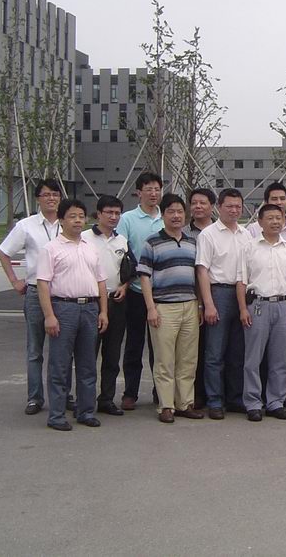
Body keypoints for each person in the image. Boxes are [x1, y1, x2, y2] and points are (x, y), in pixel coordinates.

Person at [36, 199, 108, 431]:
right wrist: (49, 315)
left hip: (90, 308)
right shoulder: (51, 249)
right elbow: (43, 284)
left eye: (81, 216)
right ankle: (57, 415)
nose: (78, 221)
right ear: (61, 220)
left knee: (88, 365)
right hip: (63, 309)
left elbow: (101, 281)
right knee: (60, 364)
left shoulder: (90, 247)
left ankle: (86, 411)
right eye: (72, 216)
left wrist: (103, 311)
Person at [0, 179, 63, 416]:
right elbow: (3, 252)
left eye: (55, 194)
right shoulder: (26, 226)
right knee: (35, 349)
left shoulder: (68, 222)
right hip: (35, 292)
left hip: (62, 294)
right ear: (38, 199)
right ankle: (35, 397)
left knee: (63, 350)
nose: (51, 198)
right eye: (46, 194)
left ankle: (64, 395)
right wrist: (14, 281)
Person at [138, 193, 204, 424]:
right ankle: (166, 405)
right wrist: (150, 308)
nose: (176, 216)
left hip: (190, 306)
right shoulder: (152, 242)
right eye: (171, 211)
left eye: (179, 211)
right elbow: (144, 276)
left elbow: (198, 276)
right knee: (165, 360)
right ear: (163, 215)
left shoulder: (192, 242)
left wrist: (199, 305)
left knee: (188, 359)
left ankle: (185, 403)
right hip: (163, 308)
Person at [237, 203, 286, 422]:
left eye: (278, 218)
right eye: (270, 218)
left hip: (283, 305)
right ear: (260, 222)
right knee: (253, 358)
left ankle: (276, 402)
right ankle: (253, 403)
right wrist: (242, 309)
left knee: (279, 358)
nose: (275, 222)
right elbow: (241, 281)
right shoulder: (249, 247)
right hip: (258, 305)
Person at [196, 188, 251, 419]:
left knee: (238, 352)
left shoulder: (246, 234)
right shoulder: (208, 234)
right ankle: (215, 401)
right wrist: (208, 304)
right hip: (218, 293)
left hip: (243, 295)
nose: (234, 210)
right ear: (219, 207)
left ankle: (235, 398)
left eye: (238, 206)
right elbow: (202, 270)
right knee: (214, 353)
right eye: (229, 206)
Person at [81, 195, 134, 416]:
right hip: (91, 303)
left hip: (116, 302)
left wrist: (125, 286)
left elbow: (130, 268)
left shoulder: (122, 240)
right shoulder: (83, 238)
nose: (113, 217)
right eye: (109, 212)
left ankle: (106, 399)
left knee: (112, 355)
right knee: (87, 355)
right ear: (99, 213)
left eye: (117, 213)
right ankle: (84, 401)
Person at [116, 172, 164, 411]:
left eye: (157, 189)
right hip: (136, 290)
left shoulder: (166, 217)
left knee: (160, 347)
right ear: (138, 192)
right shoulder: (127, 219)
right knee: (134, 344)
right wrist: (126, 281)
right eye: (148, 189)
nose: (153, 193)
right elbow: (121, 251)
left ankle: (160, 392)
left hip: (162, 293)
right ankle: (130, 393)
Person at [186, 187, 216, 410]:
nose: (198, 206)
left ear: (212, 206)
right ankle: (194, 394)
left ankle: (215, 393)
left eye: (203, 202)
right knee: (193, 348)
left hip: (218, 295)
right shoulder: (183, 233)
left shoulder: (220, 231)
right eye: (194, 202)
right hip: (189, 297)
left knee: (215, 349)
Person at [247, 181, 286, 251]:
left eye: (282, 199)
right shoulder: (253, 230)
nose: (279, 202)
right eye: (274, 199)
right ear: (266, 202)